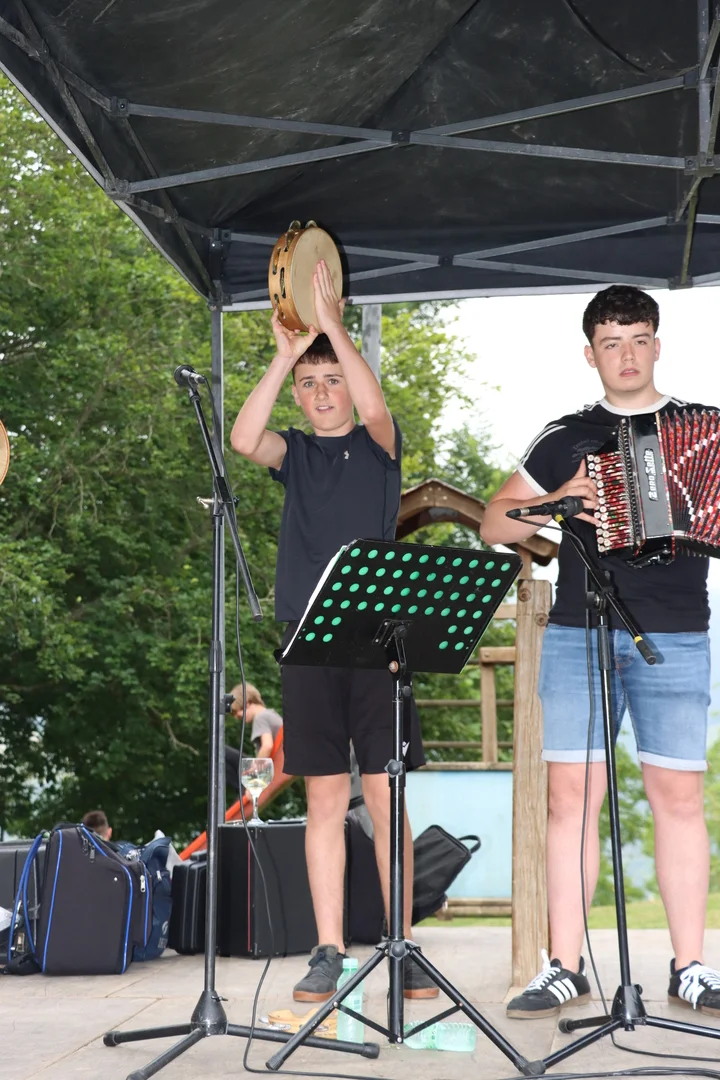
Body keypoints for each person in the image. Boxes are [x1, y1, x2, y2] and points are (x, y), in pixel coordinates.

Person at [481, 284, 720, 1019]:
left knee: (678, 798)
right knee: (570, 801)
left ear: (657, 345)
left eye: (639, 339)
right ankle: (564, 966)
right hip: (577, 634)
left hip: (675, 631)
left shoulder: (705, 428)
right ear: (591, 355)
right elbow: (494, 523)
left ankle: (691, 967)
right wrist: (556, 500)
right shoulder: (566, 436)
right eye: (611, 343)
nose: (627, 355)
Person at [231, 260, 436, 1002]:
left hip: (379, 642)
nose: (322, 393)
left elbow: (374, 404)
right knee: (323, 797)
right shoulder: (295, 453)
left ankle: (401, 946)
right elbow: (242, 438)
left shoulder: (380, 447)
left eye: (332, 380)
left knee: (384, 799)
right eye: (309, 385)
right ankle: (327, 951)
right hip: (308, 643)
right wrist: (286, 353)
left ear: (351, 383)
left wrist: (334, 329)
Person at [225, 682, 283, 791]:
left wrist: (255, 774)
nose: (236, 717)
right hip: (274, 765)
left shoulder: (260, 717)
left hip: (268, 769)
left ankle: (244, 790)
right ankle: (243, 789)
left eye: (237, 711)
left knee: (221, 751)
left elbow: (267, 746)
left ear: (247, 703)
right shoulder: (271, 714)